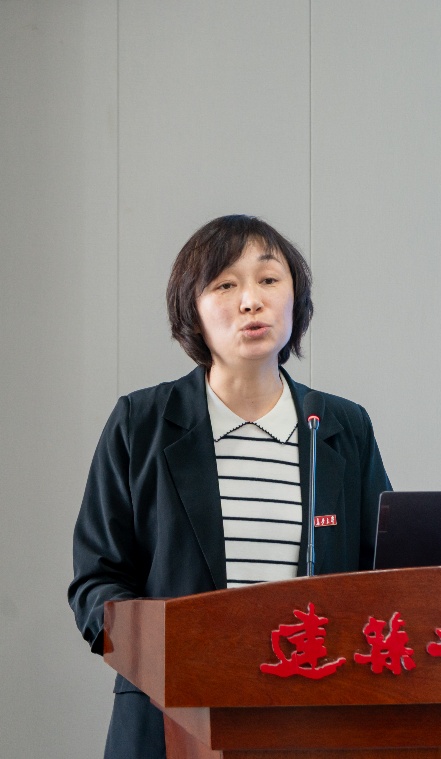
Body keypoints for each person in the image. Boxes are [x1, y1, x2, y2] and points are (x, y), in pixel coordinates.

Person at [68, 215, 391, 759]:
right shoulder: (140, 423)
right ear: (191, 310)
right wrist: (166, 652)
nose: (251, 301)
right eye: (224, 284)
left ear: (295, 299)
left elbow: (382, 577)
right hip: (170, 720)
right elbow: (96, 582)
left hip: (313, 723)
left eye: (269, 279)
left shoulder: (340, 427)